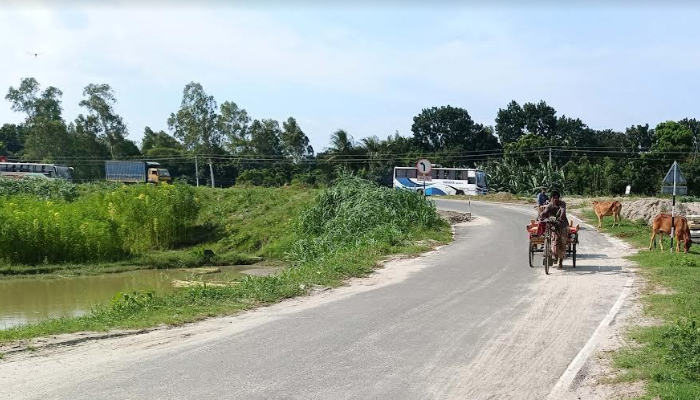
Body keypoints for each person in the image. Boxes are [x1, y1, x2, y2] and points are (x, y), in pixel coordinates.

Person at [538, 190, 568, 269]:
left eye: (557, 198)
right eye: (554, 198)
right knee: (553, 240)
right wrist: (541, 215)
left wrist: (561, 217)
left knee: (562, 242)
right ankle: (551, 254)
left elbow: (563, 212)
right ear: (551, 198)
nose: (555, 199)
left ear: (559, 198)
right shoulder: (550, 205)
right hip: (553, 224)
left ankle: (560, 262)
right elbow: (545, 211)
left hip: (562, 224)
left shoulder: (562, 204)